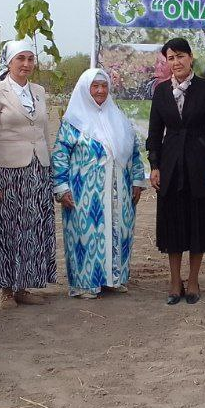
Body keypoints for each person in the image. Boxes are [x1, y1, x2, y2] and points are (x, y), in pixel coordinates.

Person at [51, 68, 147, 299]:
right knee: (86, 236)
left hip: (119, 191)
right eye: (95, 86)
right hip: (84, 193)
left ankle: (114, 278)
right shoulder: (72, 122)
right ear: (85, 89)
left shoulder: (119, 118)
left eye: (104, 86)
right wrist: (61, 187)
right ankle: (86, 284)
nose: (100, 91)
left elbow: (134, 152)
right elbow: (60, 155)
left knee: (119, 231)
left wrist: (137, 180)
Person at [146, 37, 205, 305]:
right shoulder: (160, 92)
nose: (176, 62)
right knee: (173, 223)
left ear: (190, 58)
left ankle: (192, 280)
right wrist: (155, 166)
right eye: (170, 58)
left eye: (180, 56)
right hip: (170, 165)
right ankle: (173, 281)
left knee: (197, 222)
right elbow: (155, 133)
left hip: (200, 164)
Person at [0, 39, 56, 304]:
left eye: (30, 59)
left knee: (32, 228)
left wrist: (51, 172)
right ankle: (6, 288)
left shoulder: (39, 91)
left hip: (38, 169)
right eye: (20, 59)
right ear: (9, 62)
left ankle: (25, 285)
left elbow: (44, 134)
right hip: (7, 172)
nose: (26, 64)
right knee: (7, 229)